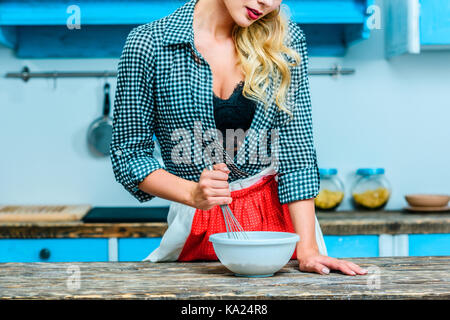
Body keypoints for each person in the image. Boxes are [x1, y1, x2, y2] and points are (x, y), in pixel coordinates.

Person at [110, 0, 368, 276]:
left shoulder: (284, 39)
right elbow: (129, 155)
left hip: (282, 228)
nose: (268, 3)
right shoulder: (148, 44)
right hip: (196, 224)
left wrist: (308, 250)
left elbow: (298, 152)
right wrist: (193, 193)